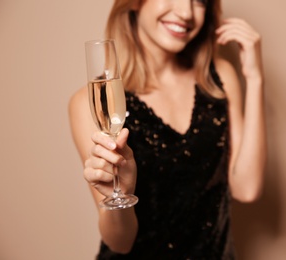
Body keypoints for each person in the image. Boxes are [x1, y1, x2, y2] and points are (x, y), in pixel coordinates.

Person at [69, 0, 266, 259]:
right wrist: (123, 193)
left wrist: (254, 77)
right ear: (135, 3)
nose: (186, 13)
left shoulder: (219, 78)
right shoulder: (91, 102)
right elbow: (120, 243)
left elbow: (247, 188)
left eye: (200, 1)